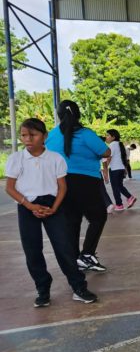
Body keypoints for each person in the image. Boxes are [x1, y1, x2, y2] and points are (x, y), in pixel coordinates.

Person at [5, 118, 98, 307]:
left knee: (64, 247)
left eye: (33, 135)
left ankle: (78, 287)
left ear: (44, 136)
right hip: (27, 205)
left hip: (52, 204)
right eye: (24, 135)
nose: (28, 139)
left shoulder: (55, 158)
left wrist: (54, 207)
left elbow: (62, 186)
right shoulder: (16, 159)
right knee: (32, 250)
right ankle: (43, 289)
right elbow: (10, 187)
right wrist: (30, 206)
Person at [46, 100, 110, 273]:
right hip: (86, 181)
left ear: (59, 116)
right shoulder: (85, 133)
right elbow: (106, 152)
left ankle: (74, 258)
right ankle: (87, 254)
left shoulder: (51, 135)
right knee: (98, 217)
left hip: (61, 182)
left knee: (72, 221)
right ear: (78, 114)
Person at [105, 129, 136, 211]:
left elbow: (109, 157)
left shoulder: (112, 145)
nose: (106, 137)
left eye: (108, 135)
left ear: (113, 137)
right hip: (120, 168)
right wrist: (125, 169)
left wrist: (105, 168)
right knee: (119, 186)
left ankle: (120, 204)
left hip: (115, 169)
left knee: (115, 187)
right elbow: (123, 158)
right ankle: (126, 200)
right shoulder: (119, 144)